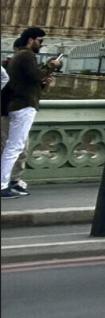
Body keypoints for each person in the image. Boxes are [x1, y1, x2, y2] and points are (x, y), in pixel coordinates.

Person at [2, 28, 63, 198]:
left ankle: (10, 182)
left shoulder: (20, 56)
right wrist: (51, 65)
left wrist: (44, 80)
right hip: (23, 106)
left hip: (20, 104)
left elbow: (30, 81)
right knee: (14, 147)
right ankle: (2, 184)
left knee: (17, 146)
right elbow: (35, 76)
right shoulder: (26, 55)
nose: (41, 45)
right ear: (30, 40)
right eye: (40, 41)